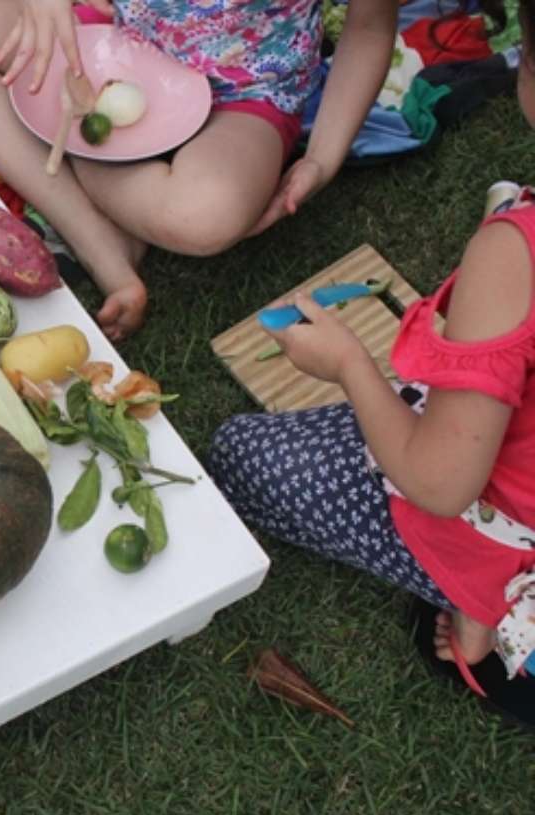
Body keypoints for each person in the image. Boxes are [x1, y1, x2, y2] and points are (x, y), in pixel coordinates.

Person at [207, 0, 535, 713]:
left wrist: (351, 366)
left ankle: (496, 603)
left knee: (242, 454)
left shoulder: (517, 257)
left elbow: (441, 486)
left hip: (501, 521)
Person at [0, 0, 397, 342]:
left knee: (203, 217)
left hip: (243, 95)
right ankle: (102, 241)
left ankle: (55, 133)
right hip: (112, 41)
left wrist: (322, 159)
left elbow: (370, 26)